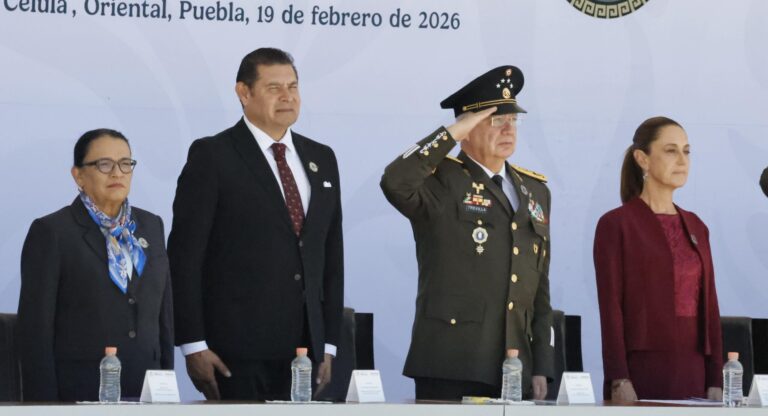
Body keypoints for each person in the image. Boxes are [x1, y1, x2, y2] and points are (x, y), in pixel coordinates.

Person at [168, 47, 344, 401]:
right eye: (273, 87)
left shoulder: (321, 158)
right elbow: (184, 257)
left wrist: (330, 343)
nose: (287, 97)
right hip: (235, 351)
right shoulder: (213, 155)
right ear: (243, 93)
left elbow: (331, 256)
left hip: (306, 349)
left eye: (293, 87)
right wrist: (192, 344)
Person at [381, 66, 554, 401]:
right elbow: (394, 181)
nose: (508, 129)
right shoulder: (441, 179)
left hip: (515, 364)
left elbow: (539, 288)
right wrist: (450, 134)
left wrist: (543, 364)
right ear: (468, 129)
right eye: (494, 120)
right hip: (452, 361)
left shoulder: (535, 190)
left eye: (513, 121)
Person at [16, 129, 174, 401]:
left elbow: (163, 316)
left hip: (148, 389)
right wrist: (42, 405)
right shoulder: (53, 232)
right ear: (78, 175)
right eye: (104, 164)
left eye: (126, 163)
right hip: (79, 391)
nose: (117, 173)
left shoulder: (151, 225)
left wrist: (166, 382)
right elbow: (35, 332)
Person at [594, 116, 724, 401]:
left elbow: (710, 306)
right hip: (644, 369)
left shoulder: (697, 226)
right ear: (642, 158)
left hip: (694, 367)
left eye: (686, 151)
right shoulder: (617, 224)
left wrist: (717, 376)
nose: (682, 159)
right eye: (670, 150)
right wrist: (618, 377)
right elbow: (611, 307)